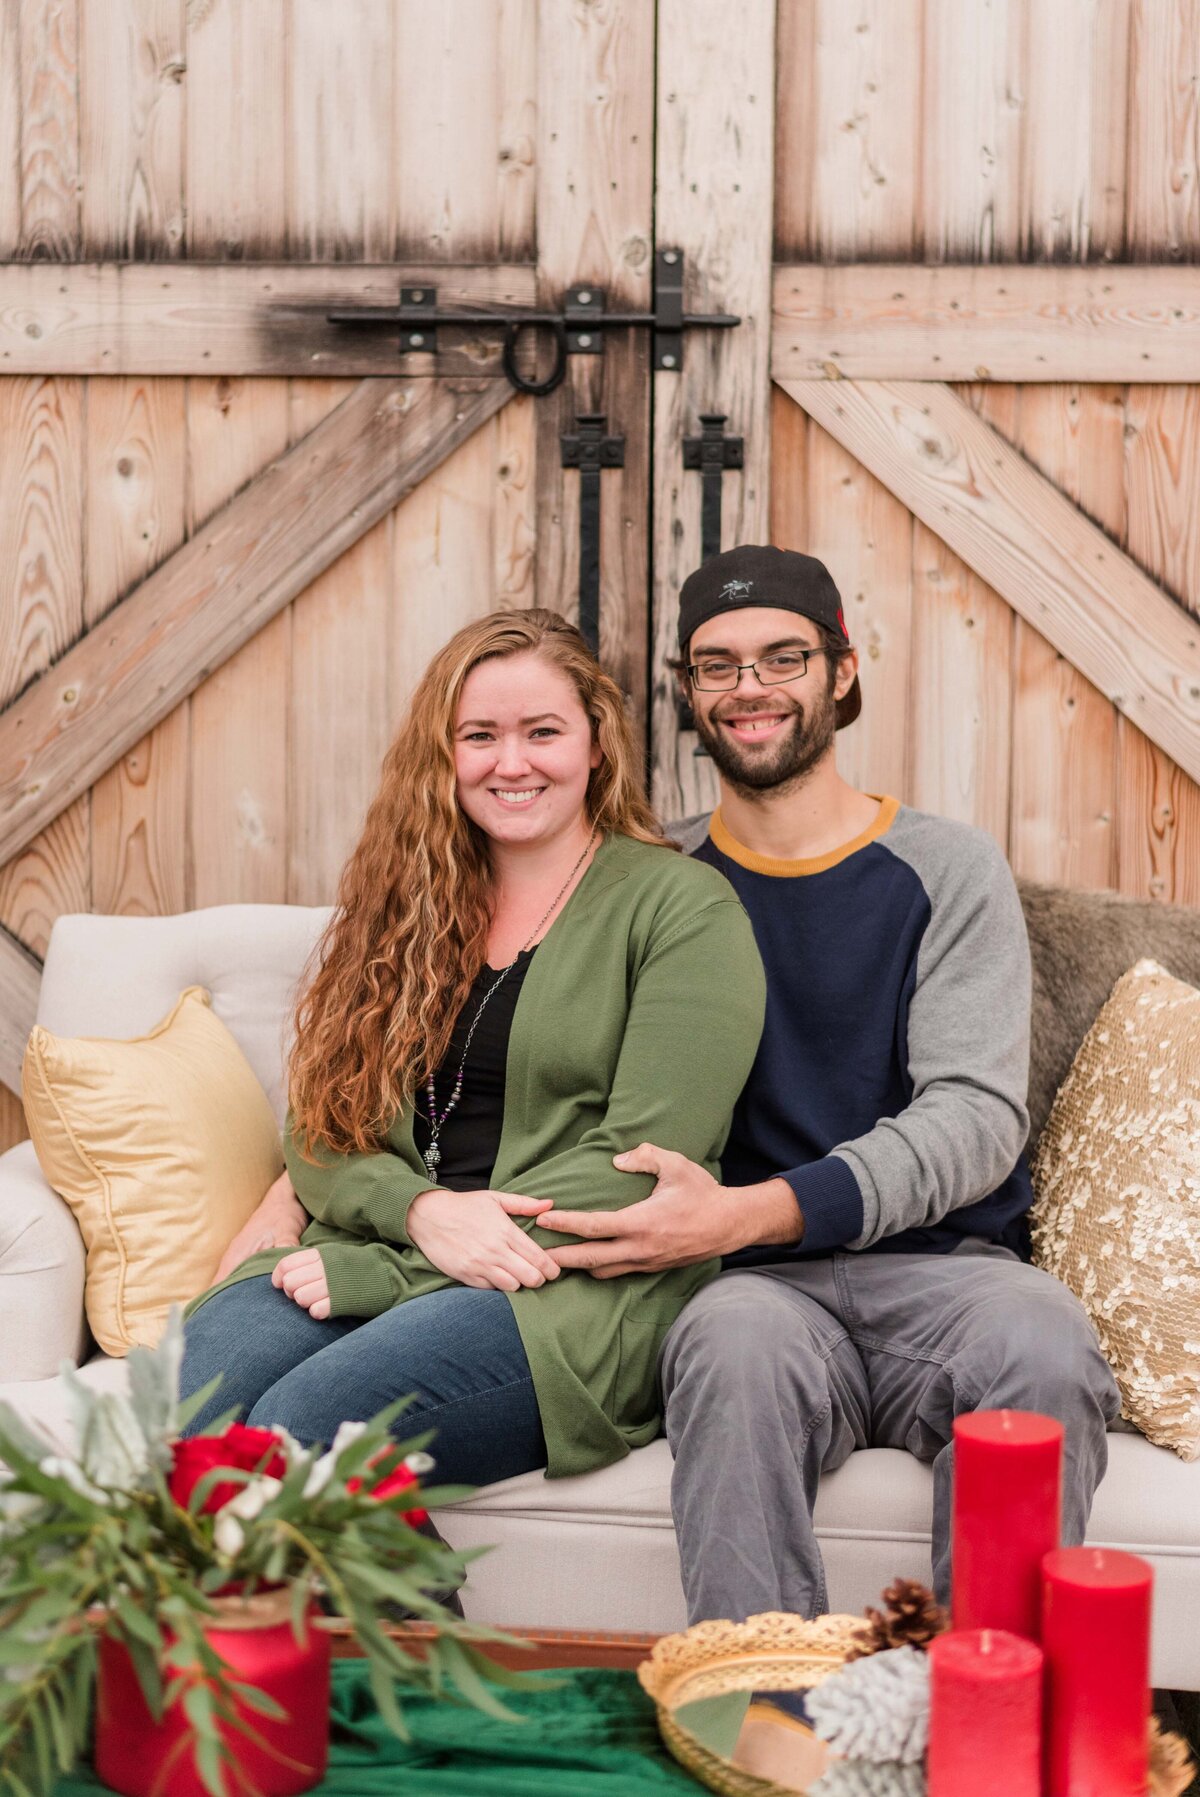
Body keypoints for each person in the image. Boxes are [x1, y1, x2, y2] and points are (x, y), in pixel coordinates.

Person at [532, 544, 1121, 1622]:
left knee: (1045, 1342)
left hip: (947, 1275)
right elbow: (510, 1057)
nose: (748, 687)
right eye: (716, 665)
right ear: (687, 695)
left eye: (782, 657)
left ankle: (987, 1725)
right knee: (727, 1350)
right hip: (749, 1292)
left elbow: (975, 1119)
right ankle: (760, 1723)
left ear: (842, 673)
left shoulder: (945, 868)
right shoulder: (650, 883)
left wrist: (746, 1214)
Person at [181, 608, 765, 1488]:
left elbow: (642, 1166)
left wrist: (388, 1267)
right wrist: (421, 1215)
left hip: (570, 1291)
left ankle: (399, 1636)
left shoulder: (683, 909)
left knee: (300, 1434)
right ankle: (269, 1633)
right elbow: (321, 1124)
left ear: (596, 744)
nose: (512, 761)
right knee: (190, 1418)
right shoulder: (406, 901)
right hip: (391, 1247)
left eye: (543, 731)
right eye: (480, 735)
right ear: (444, 752)